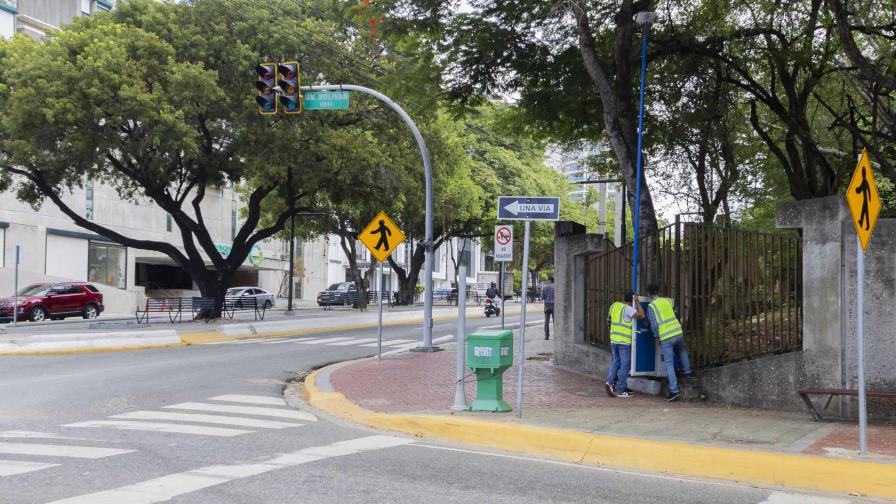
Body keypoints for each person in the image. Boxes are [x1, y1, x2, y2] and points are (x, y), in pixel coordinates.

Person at [646, 283, 694, 402]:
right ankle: (688, 372)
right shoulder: (667, 301)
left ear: (649, 294)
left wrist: (657, 337)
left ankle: (674, 391)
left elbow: (654, 324)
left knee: (669, 363)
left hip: (666, 336)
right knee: (682, 351)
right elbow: (675, 312)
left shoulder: (651, 307)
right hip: (677, 331)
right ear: (658, 291)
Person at [605, 292, 645, 398]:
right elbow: (642, 315)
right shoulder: (628, 309)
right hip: (624, 342)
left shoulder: (614, 305)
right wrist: (637, 301)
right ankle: (621, 389)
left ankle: (609, 382)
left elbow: (608, 320)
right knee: (625, 366)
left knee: (615, 362)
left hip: (613, 340)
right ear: (631, 300)